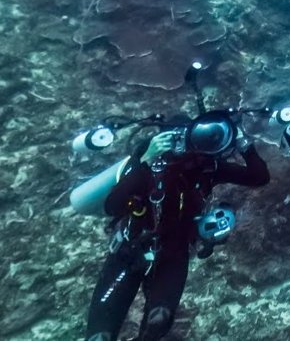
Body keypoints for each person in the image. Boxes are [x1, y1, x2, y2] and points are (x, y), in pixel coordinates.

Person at [84, 123, 269, 341]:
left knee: (159, 321)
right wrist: (146, 161)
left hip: (173, 255)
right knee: (100, 335)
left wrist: (244, 144)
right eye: (176, 139)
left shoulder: (208, 168)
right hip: (128, 251)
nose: (185, 148)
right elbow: (112, 206)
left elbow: (259, 177)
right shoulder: (149, 165)